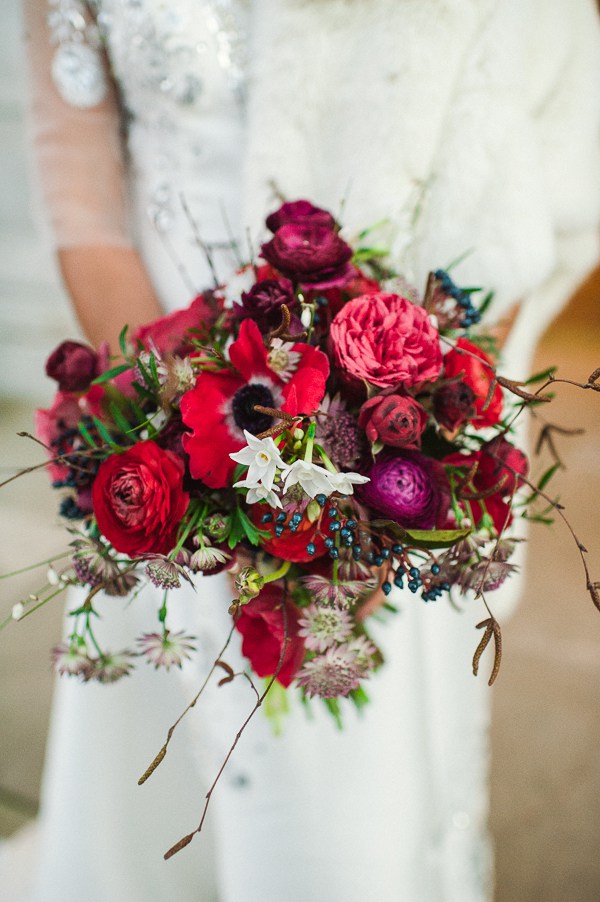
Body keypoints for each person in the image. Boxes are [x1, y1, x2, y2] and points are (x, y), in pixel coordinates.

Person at [4, 1, 600, 900]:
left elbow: (525, 164)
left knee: (337, 812)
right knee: (160, 748)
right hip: (169, 386)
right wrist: (172, 430)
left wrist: (411, 422)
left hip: (385, 419)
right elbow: (83, 197)